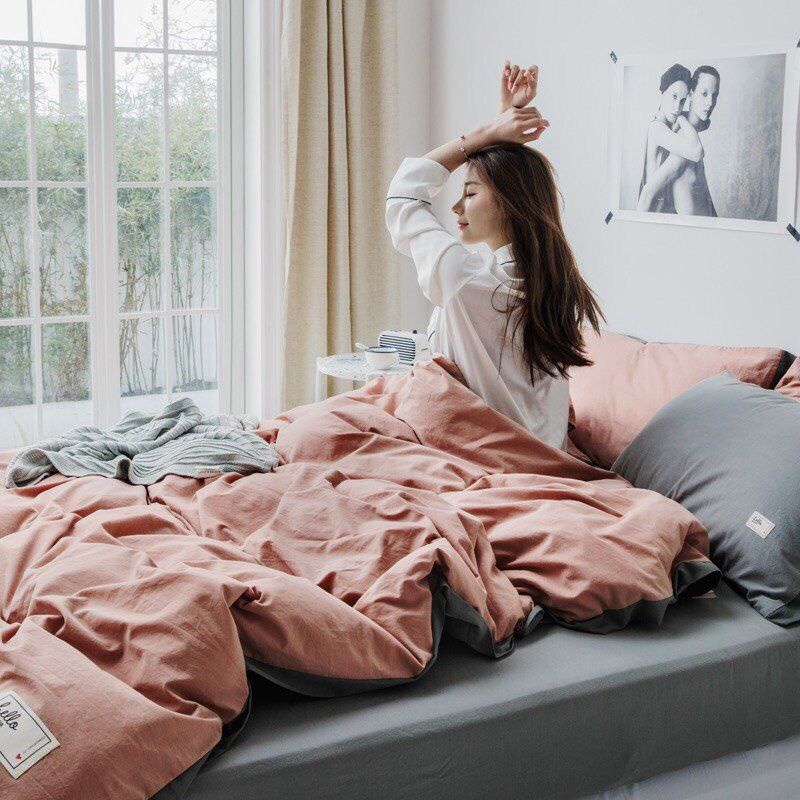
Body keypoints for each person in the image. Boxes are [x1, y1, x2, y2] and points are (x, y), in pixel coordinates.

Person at [385, 62, 603, 451]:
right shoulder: (556, 283)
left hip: (482, 456)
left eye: (469, 193)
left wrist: (486, 133)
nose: (456, 207)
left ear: (509, 203)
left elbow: (405, 193)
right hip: (543, 456)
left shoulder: (465, 278)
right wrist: (504, 127)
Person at [638, 66, 720, 217]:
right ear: (663, 92)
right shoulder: (657, 128)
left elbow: (705, 124)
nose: (677, 107)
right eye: (674, 96)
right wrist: (682, 118)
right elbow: (697, 152)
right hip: (653, 213)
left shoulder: (670, 127)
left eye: (682, 101)